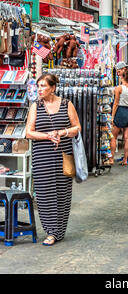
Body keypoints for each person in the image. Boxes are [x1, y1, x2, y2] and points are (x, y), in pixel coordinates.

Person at [26, 73, 81, 246]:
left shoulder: (66, 104)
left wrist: (62, 132)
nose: (40, 89)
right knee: (45, 194)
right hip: (42, 156)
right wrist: (47, 136)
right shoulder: (36, 106)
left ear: (53, 88)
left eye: (43, 86)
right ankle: (51, 231)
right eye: (38, 86)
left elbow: (77, 127)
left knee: (62, 193)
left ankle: (59, 230)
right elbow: (29, 132)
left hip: (63, 155)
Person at [111, 69, 128, 165]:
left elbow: (116, 103)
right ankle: (125, 159)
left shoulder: (119, 88)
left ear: (122, 77)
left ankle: (111, 158)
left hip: (120, 111)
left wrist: (112, 117)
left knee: (114, 136)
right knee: (127, 137)